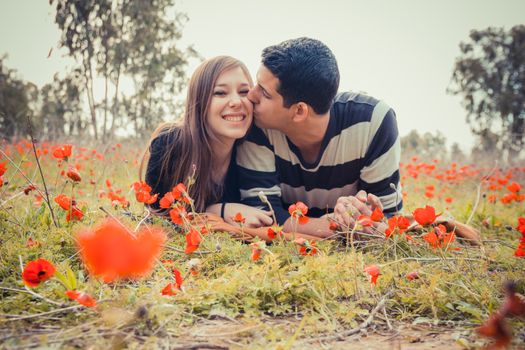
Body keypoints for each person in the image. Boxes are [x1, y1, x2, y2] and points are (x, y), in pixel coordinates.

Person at [236, 37, 402, 237]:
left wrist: (362, 211)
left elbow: (386, 218)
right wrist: (339, 225)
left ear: (299, 111)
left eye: (264, 92)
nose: (250, 96)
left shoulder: (373, 122)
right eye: (257, 84)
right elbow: (263, 217)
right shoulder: (258, 124)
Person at [141, 56, 273, 228]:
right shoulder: (169, 144)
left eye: (243, 92)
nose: (236, 102)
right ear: (199, 101)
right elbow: (154, 220)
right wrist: (220, 210)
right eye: (220, 93)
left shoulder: (254, 148)